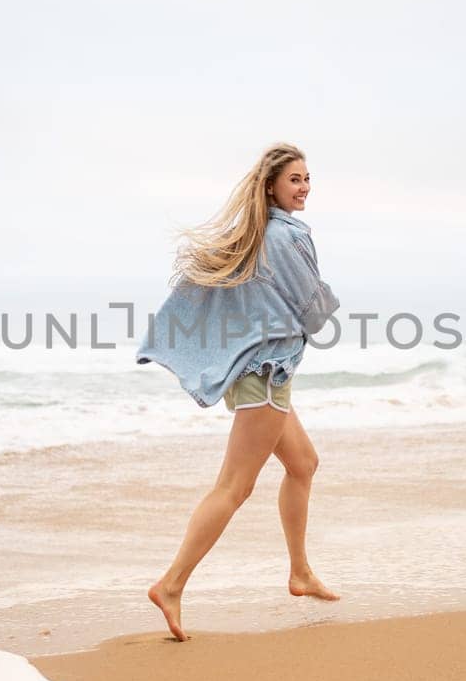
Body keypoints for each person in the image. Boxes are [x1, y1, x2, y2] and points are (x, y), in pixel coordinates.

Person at [135, 142, 342, 642]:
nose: (305, 186)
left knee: (303, 464)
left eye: (307, 178)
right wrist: (322, 311)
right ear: (271, 185)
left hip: (267, 372)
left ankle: (300, 572)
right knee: (234, 487)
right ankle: (172, 583)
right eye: (295, 179)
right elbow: (312, 305)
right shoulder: (282, 237)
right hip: (265, 374)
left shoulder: (263, 234)